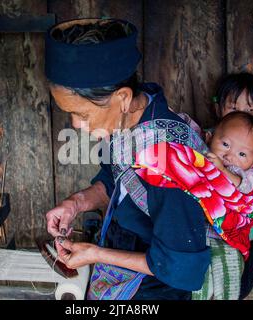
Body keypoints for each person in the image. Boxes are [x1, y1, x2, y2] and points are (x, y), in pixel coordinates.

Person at [44, 18, 210, 300]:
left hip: (156, 288)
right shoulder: (126, 123)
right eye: (69, 113)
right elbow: (115, 180)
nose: (75, 124)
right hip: (121, 253)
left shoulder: (169, 159)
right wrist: (77, 203)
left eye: (82, 114)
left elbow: (182, 268)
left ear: (122, 97)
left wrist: (96, 253)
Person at [193, 72, 253, 300]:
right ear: (218, 109)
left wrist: (242, 210)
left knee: (237, 285)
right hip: (201, 235)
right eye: (233, 108)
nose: (241, 115)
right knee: (197, 284)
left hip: (238, 238)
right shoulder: (207, 142)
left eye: (250, 110)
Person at [206, 111, 253, 195]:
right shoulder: (202, 150)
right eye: (225, 144)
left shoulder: (249, 175)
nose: (229, 156)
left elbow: (242, 187)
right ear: (209, 138)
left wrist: (222, 169)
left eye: (242, 154)